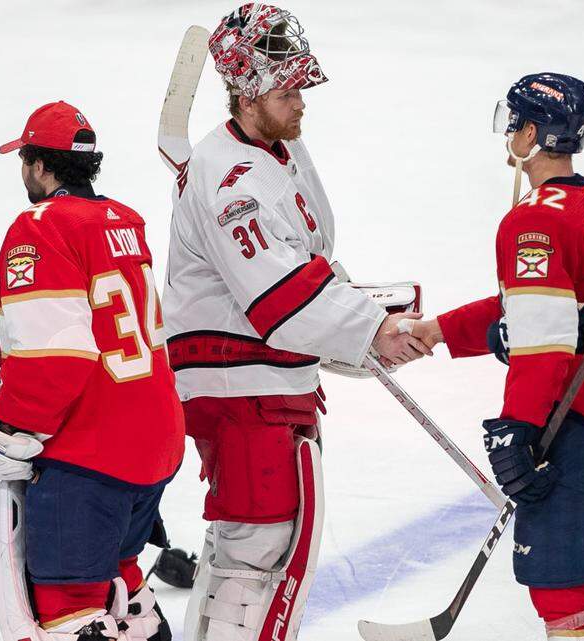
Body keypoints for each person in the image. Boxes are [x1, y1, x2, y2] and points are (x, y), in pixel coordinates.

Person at [161, 5, 429, 641]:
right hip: (235, 387)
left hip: (269, 381)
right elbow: (278, 301)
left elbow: (308, 265)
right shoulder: (231, 181)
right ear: (248, 96)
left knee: (267, 547)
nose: (301, 101)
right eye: (287, 91)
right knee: (254, 548)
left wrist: (369, 328)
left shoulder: (280, 149)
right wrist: (368, 332)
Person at [407, 74, 584, 641]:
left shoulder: (534, 220)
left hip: (582, 417)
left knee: (563, 593)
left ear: (537, 134)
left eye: (516, 122)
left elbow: (543, 342)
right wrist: (440, 331)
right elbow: (535, 308)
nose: (509, 133)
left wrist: (519, 428)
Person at [0, 101, 184, 641]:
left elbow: (56, 365)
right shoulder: (123, 219)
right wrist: (8, 299)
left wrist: (1, 426)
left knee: (69, 607)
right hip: (153, 443)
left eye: (24, 158)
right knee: (118, 578)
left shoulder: (39, 227)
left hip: (91, 455)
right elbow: (98, 311)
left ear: (39, 166)